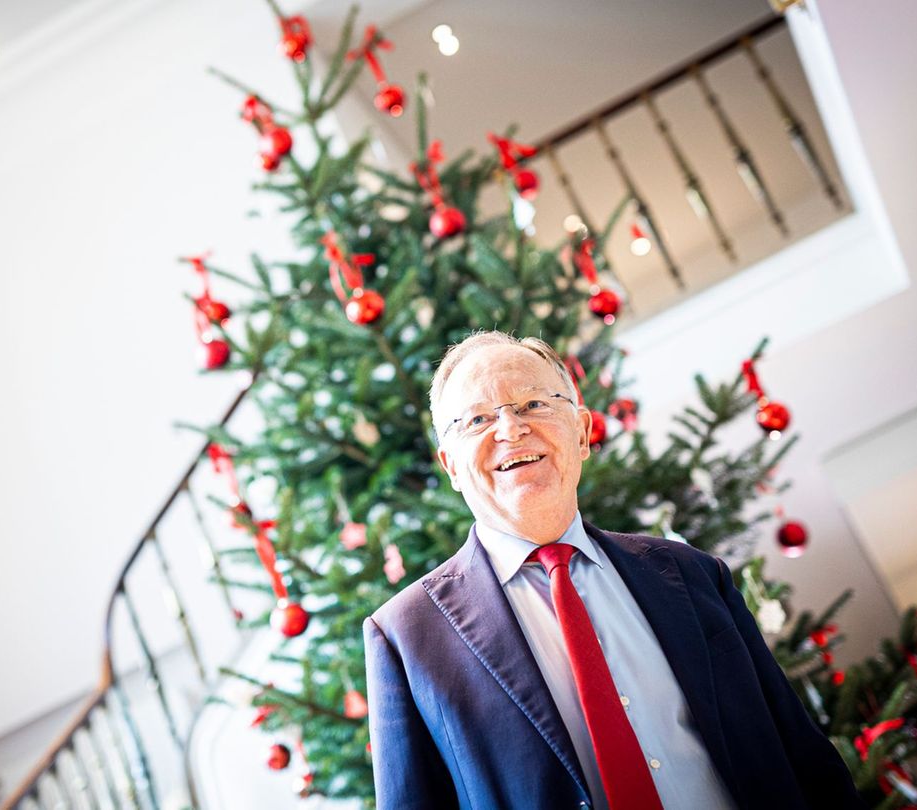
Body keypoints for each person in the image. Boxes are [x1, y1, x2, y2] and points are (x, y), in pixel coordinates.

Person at [363, 331, 861, 810]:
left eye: (533, 404)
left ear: (582, 432)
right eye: (477, 419)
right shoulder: (406, 636)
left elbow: (803, 757)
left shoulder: (692, 574)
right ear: (451, 465)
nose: (511, 429)